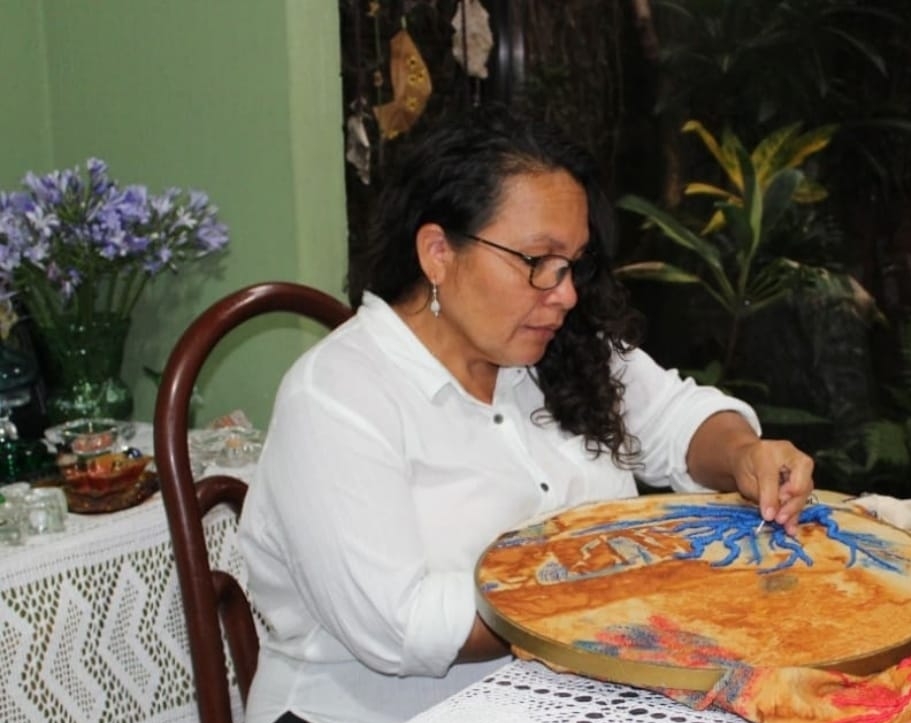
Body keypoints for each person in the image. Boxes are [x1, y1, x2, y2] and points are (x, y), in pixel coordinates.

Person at [237, 104, 815, 723]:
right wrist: (620, 590)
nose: (563, 293)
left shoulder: (556, 349)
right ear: (438, 252)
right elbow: (404, 628)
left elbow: (676, 417)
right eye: (537, 262)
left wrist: (743, 454)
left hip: (573, 693)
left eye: (573, 265)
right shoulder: (337, 397)